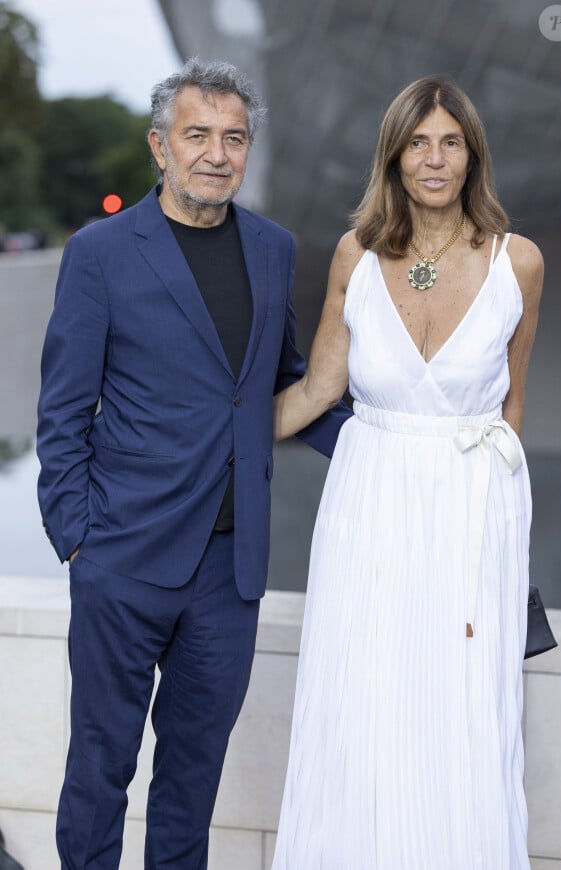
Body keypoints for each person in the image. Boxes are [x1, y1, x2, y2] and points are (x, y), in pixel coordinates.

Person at [36, 57, 350, 869]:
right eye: (197, 134)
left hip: (228, 571)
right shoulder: (100, 252)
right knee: (98, 774)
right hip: (122, 558)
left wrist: (392, 449)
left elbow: (280, 384)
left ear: (249, 150)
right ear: (160, 147)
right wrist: (78, 540)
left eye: (234, 137)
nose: (217, 153)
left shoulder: (275, 250)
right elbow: (63, 413)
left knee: (192, 783)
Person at [271, 75, 543, 869]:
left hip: (470, 512)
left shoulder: (517, 263)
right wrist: (202, 436)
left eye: (450, 142)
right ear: (393, 157)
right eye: (417, 142)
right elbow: (321, 389)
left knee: (460, 711)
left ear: (472, 155)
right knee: (364, 702)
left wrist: (500, 536)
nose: (434, 159)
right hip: (369, 505)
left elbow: (512, 406)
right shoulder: (355, 255)